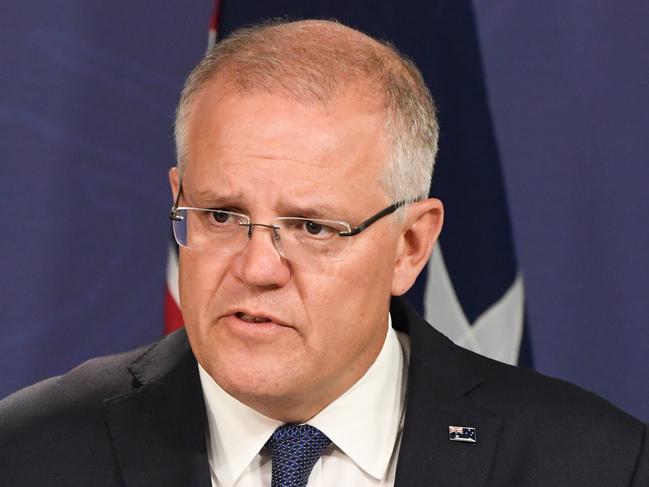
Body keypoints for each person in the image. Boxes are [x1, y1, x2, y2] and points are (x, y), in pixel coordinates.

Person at [0, 19, 647, 487]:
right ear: (179, 198)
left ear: (410, 244)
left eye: (311, 228)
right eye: (222, 214)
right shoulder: (27, 451)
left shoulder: (593, 464)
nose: (255, 268)